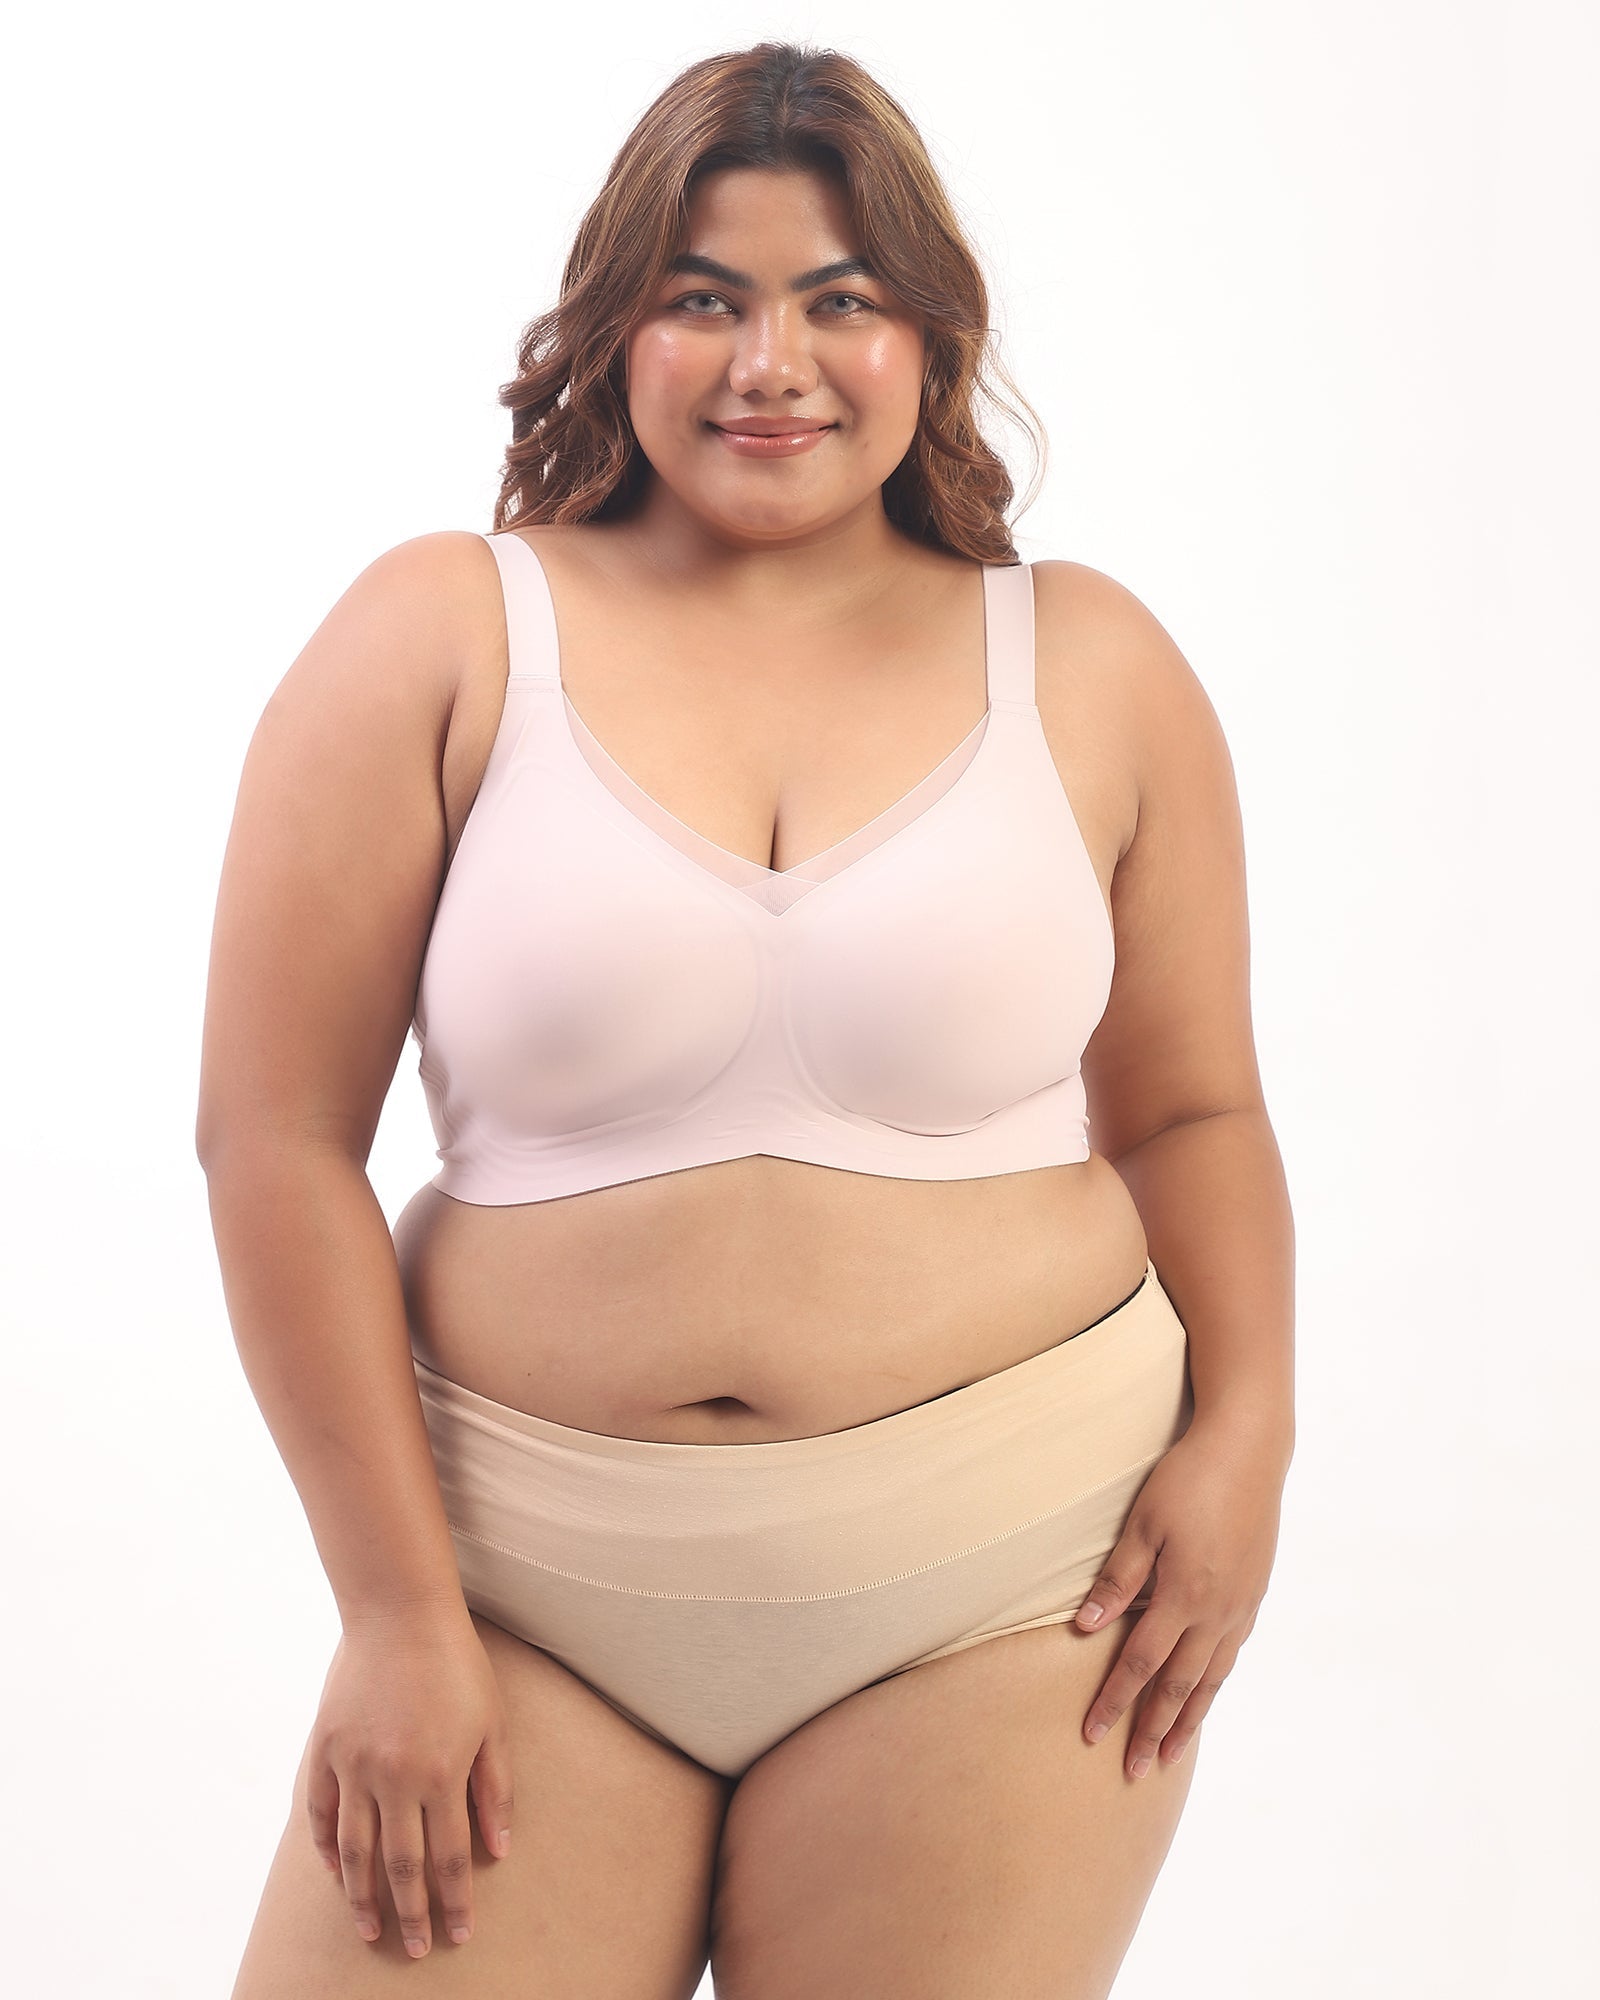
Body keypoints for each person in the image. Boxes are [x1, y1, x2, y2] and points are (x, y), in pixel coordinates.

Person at [200, 39, 1296, 2000]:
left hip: (1009, 1571)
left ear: (928, 339)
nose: (766, 362)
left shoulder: (1093, 664)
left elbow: (1196, 1111)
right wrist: (387, 1608)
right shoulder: (447, 629)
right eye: (701, 297)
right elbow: (269, 1134)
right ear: (614, 325)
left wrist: (1248, 1439)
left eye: (835, 301)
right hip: (520, 1582)